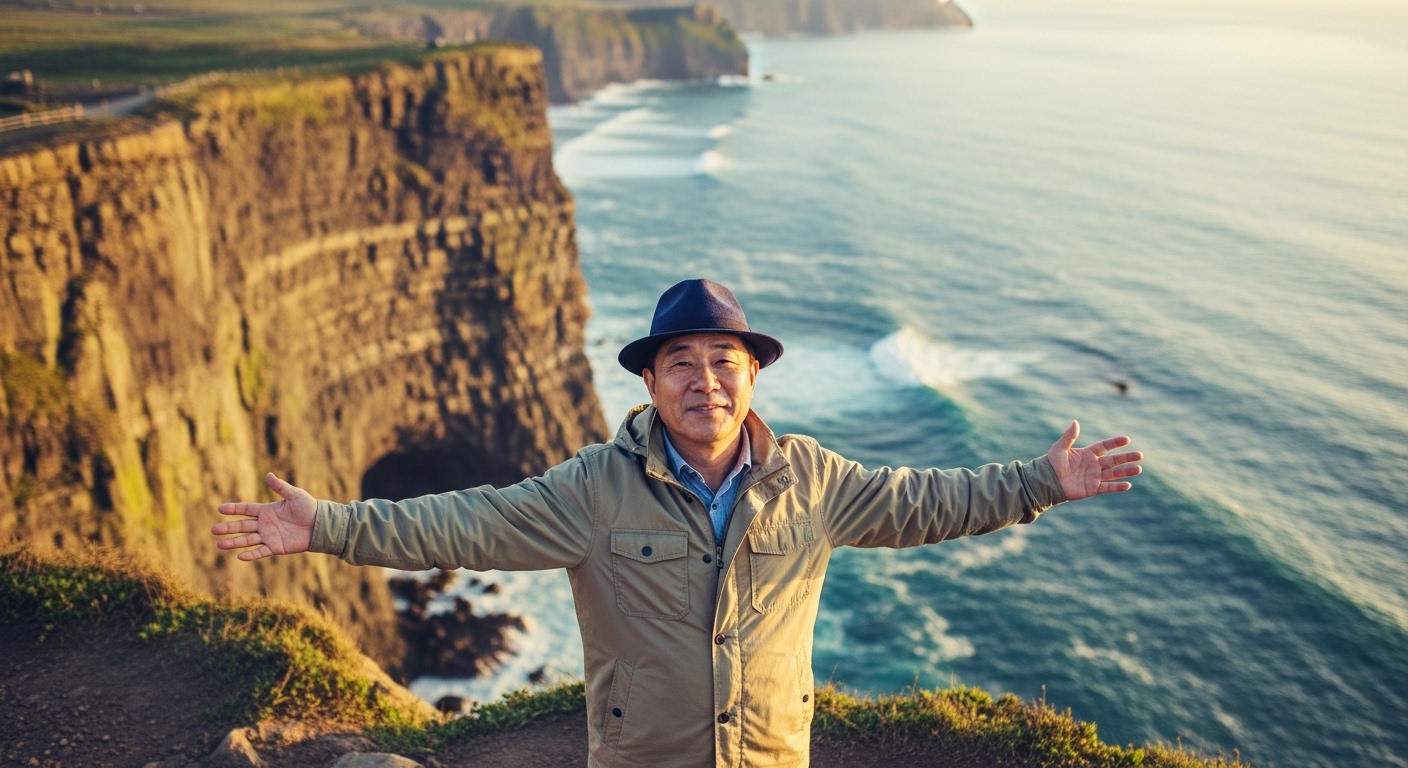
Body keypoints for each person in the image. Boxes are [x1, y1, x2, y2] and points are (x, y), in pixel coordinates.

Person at [212, 279, 1142, 768]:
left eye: (724, 360)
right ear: (651, 384)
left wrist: (1041, 480)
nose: (706, 380)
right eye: (683, 363)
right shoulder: (592, 490)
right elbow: (466, 525)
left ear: (753, 375)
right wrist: (327, 525)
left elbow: (930, 503)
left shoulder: (811, 479)